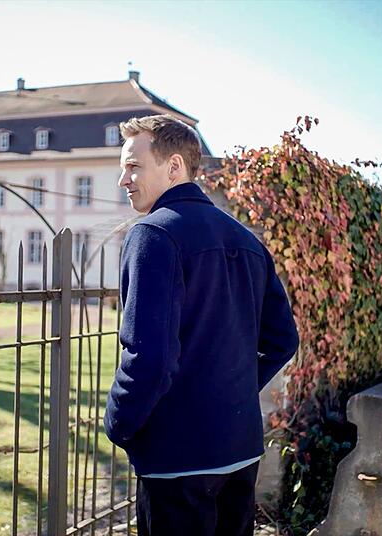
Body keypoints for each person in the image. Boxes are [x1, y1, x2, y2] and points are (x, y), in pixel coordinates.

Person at [103, 114, 300, 536]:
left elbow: (150, 358)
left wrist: (118, 422)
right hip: (240, 448)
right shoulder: (247, 240)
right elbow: (283, 340)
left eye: (133, 166)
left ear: (174, 166)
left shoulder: (152, 235)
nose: (123, 180)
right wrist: (231, 392)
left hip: (176, 457)